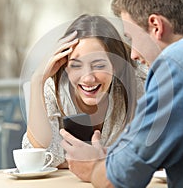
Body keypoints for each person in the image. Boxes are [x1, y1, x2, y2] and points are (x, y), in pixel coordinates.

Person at [60, 0, 183, 187]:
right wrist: (118, 156)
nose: (132, 55)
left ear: (156, 26)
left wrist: (93, 166)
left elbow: (118, 179)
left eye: (131, 38)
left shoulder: (176, 61)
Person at [22, 14, 147, 168]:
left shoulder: (136, 84)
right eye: (76, 65)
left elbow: (150, 152)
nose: (88, 78)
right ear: (65, 65)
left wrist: (94, 159)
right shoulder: (52, 88)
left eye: (99, 65)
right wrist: (37, 80)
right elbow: (38, 157)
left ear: (115, 66)